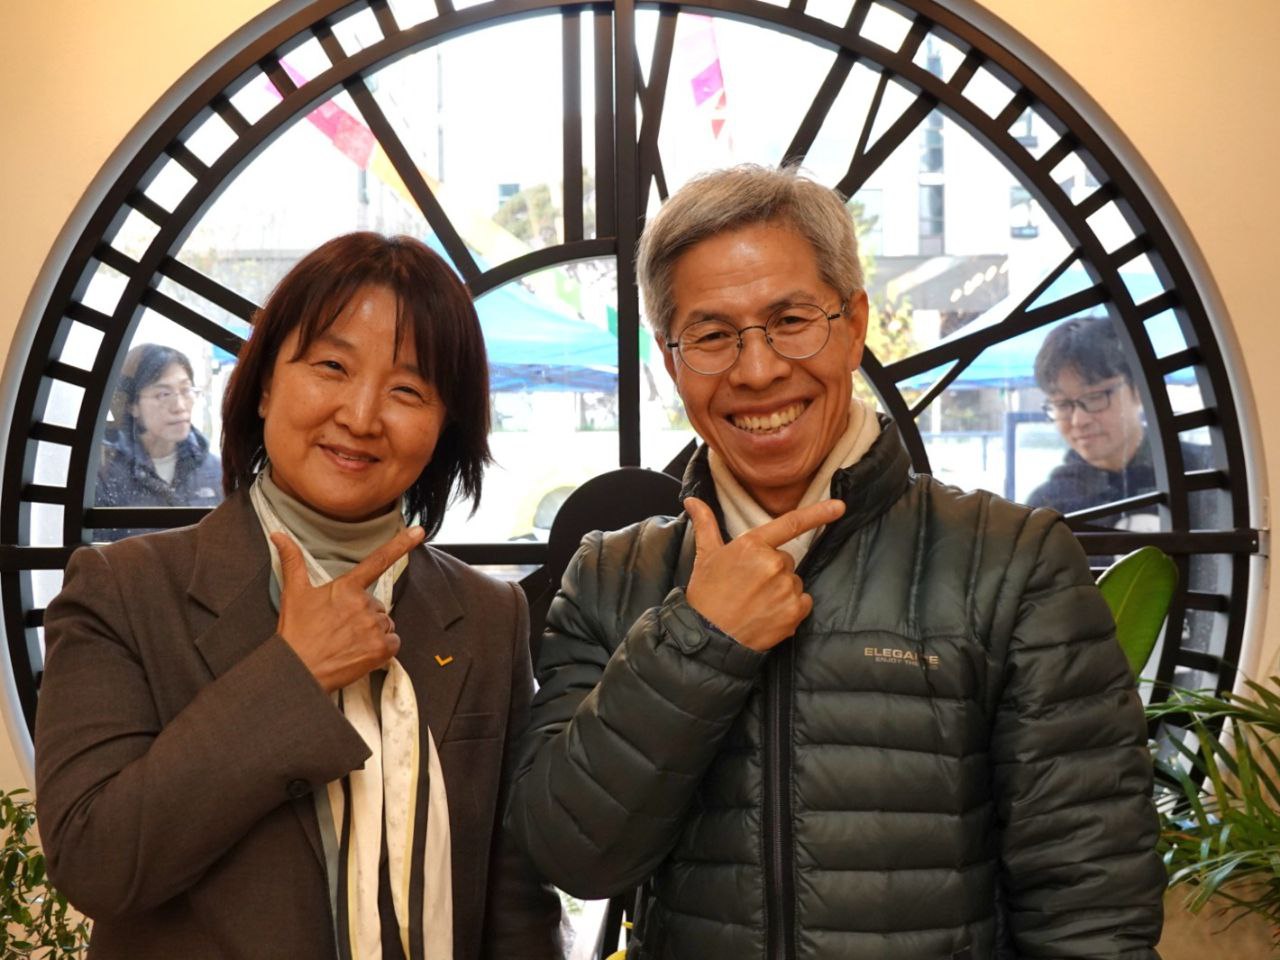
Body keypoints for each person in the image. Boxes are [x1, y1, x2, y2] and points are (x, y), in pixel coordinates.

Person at [506, 166, 1164, 959]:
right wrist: (699, 640)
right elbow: (572, 855)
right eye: (712, 336)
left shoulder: (1011, 561)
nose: (757, 370)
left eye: (790, 321)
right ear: (672, 362)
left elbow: (1091, 907)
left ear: (853, 326)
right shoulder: (612, 575)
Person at [36, 232, 562, 959]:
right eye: (331, 367)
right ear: (263, 386)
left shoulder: (487, 614)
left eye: (408, 390)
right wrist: (293, 675)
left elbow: (514, 901)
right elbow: (95, 860)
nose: (361, 416)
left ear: (446, 426)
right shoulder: (125, 590)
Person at [1027, 314, 1208, 525]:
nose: (1078, 420)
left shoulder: (1202, 473)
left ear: (1139, 390)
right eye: (1062, 404)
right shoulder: (1049, 506)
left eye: (1095, 397)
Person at [94, 342, 223, 539]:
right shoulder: (105, 472)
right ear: (132, 405)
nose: (179, 406)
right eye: (163, 394)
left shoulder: (216, 471)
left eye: (186, 390)